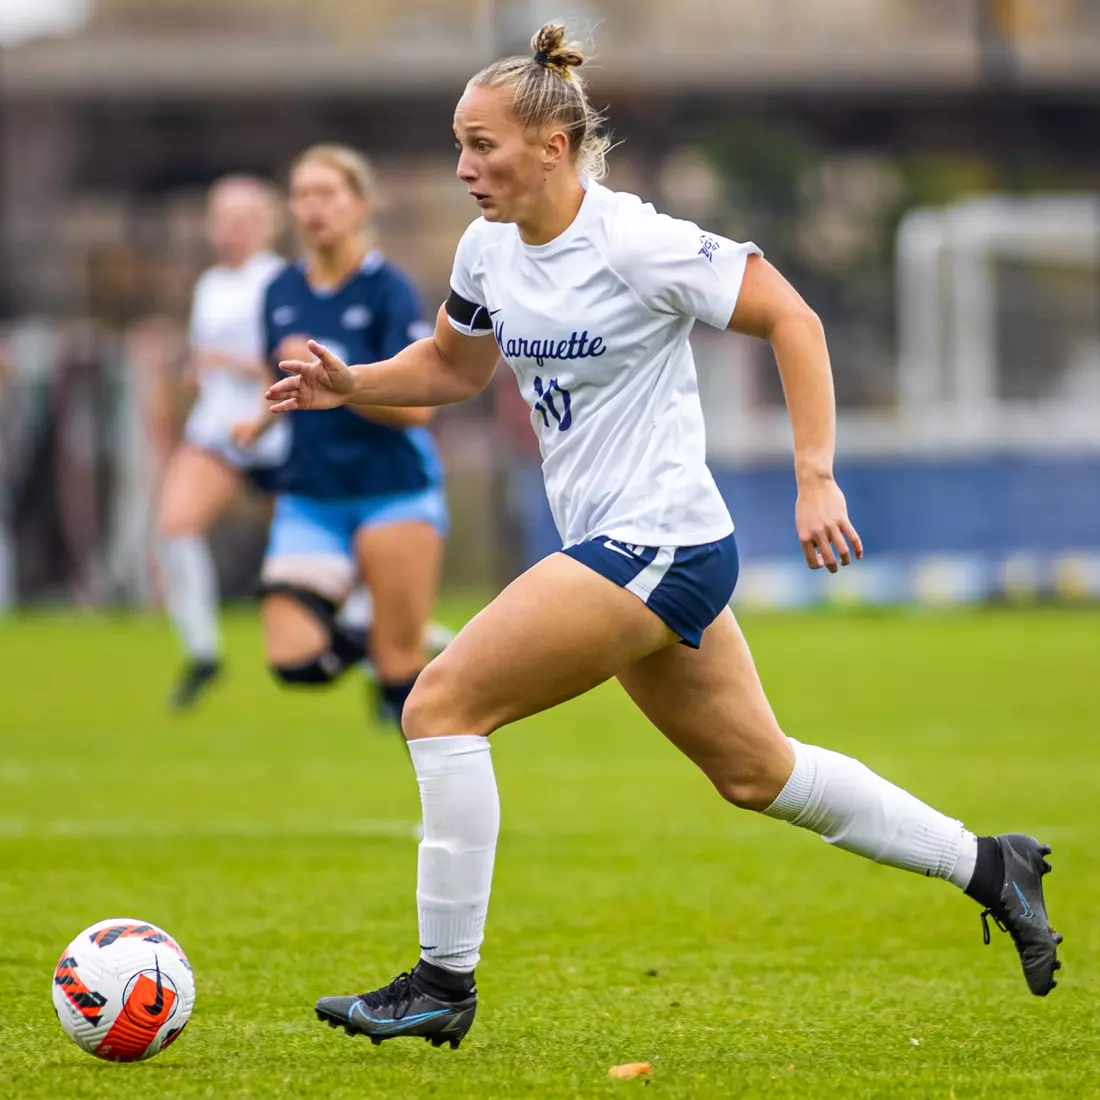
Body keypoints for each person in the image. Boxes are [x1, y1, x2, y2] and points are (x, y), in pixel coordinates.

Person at [266, 25, 1062, 1049]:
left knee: (438, 703)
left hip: (662, 543)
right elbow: (454, 369)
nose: (464, 168)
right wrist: (351, 385)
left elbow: (792, 317)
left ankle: (439, 981)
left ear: (553, 145)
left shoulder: (632, 240)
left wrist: (812, 475)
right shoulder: (484, 247)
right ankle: (990, 863)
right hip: (626, 548)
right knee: (757, 772)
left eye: (484, 146)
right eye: (458, 145)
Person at [239, 144, 447, 723]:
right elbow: (276, 383)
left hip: (392, 490)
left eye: (326, 193)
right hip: (311, 494)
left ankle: (434, 806)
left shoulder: (389, 291)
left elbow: (419, 410)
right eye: (302, 195)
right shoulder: (279, 290)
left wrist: (348, 387)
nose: (313, 208)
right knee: (293, 662)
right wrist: (254, 423)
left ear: (359, 205)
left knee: (399, 676)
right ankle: (367, 622)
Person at [155, 176, 286, 709]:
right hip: (216, 432)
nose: (231, 231)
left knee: (323, 558)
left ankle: (391, 658)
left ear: (265, 225)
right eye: (223, 220)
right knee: (174, 528)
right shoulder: (210, 284)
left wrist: (227, 363)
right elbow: (201, 361)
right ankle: (203, 652)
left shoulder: (278, 281)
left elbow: (285, 361)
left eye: (243, 220)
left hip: (275, 432)